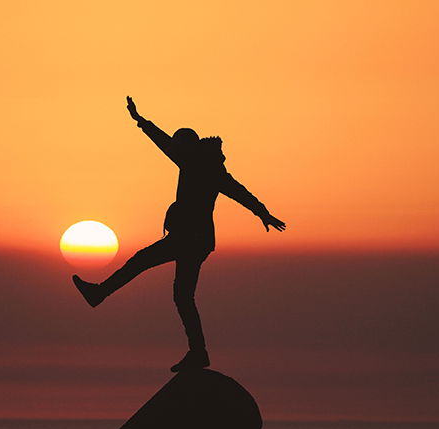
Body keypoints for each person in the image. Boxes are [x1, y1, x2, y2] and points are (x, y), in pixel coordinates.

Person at [73, 96, 286, 372]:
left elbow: (236, 190)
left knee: (142, 262)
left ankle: (99, 294)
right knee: (182, 296)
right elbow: (238, 190)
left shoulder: (195, 163)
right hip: (197, 241)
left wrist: (141, 122)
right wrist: (262, 213)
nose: (174, 149)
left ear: (186, 146)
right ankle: (198, 352)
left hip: (189, 238)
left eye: (178, 145)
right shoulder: (208, 166)